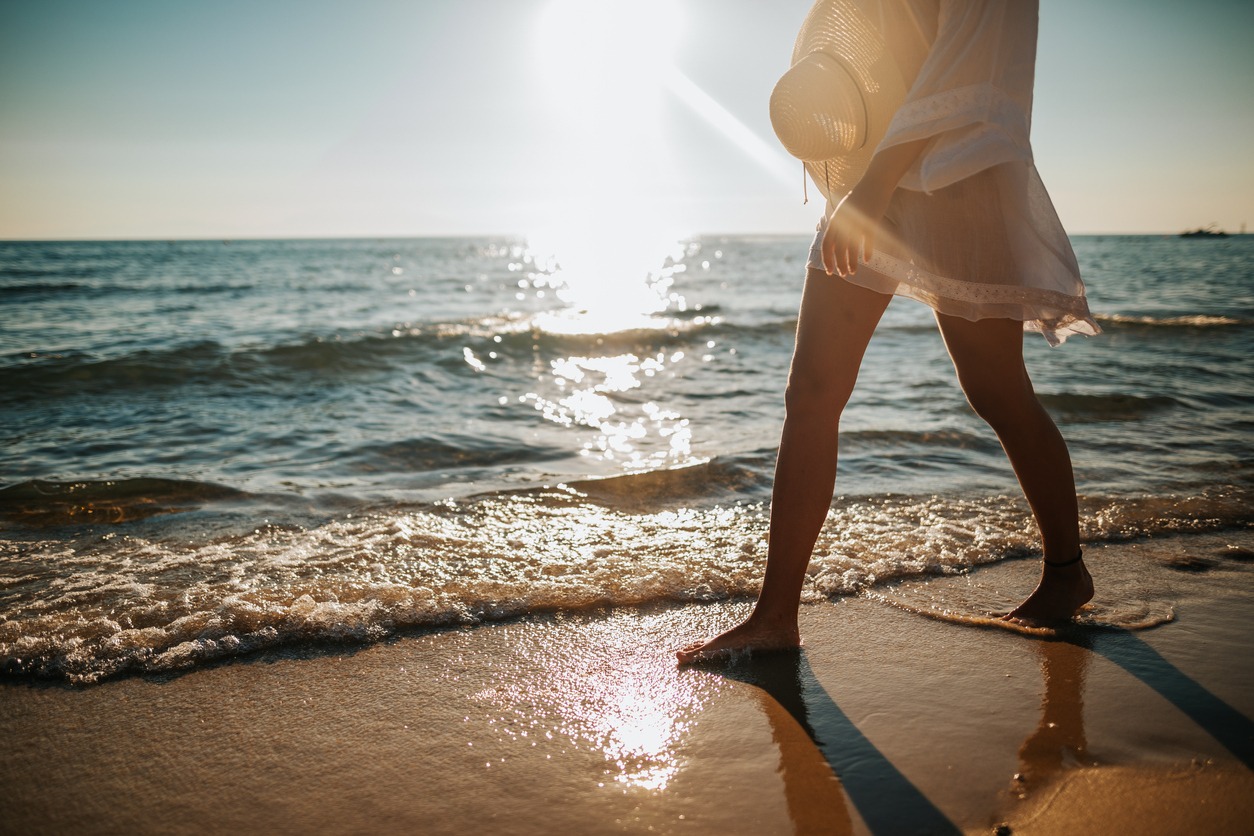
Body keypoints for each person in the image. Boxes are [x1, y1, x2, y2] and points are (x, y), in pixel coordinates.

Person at [677, 0, 1099, 663]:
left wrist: (872, 187)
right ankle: (775, 616)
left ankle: (1067, 571)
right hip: (872, 170)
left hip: (955, 174)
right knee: (811, 391)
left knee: (995, 389)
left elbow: (967, 65)